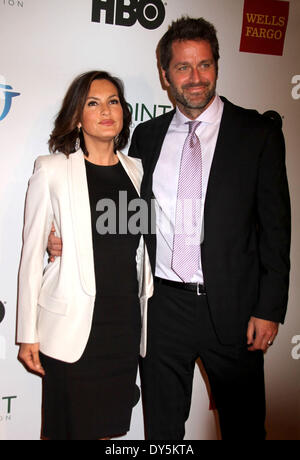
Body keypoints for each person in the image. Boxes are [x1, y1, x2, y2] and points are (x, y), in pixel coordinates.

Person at [48, 17, 291, 440]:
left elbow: (276, 230)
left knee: (245, 426)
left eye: (205, 65)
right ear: (165, 74)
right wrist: (70, 239)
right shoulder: (146, 138)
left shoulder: (258, 134)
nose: (195, 78)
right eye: (183, 67)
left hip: (234, 311)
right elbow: (128, 217)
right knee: (161, 431)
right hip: (162, 310)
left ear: (217, 65)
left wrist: (269, 309)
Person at [17, 70, 153, 440]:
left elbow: (141, 247)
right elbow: (31, 255)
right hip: (72, 325)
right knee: (65, 431)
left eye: (113, 102)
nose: (106, 110)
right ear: (77, 116)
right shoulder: (53, 170)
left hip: (123, 325)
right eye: (93, 103)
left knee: (107, 431)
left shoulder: (138, 171)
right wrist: (27, 332)